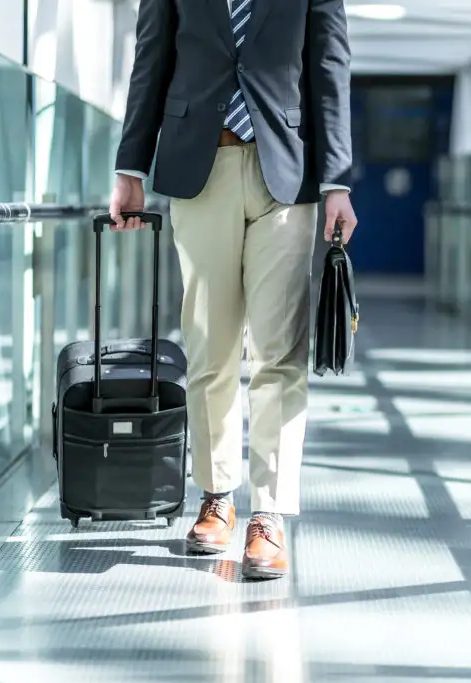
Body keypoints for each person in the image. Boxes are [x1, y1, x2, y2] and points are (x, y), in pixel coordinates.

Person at [109, 0, 357, 580]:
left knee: (279, 351)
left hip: (286, 172)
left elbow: (329, 63)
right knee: (210, 346)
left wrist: (338, 181)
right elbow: (152, 59)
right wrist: (130, 169)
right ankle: (217, 494)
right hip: (201, 166)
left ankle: (268, 514)